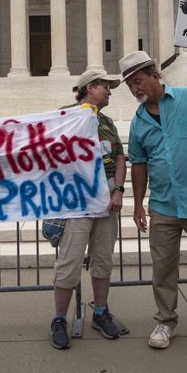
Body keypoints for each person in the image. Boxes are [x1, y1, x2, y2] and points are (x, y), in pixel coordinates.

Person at [119, 51, 187, 354]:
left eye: (138, 81)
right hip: (163, 206)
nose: (135, 89)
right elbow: (139, 164)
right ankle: (166, 320)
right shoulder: (138, 121)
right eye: (130, 85)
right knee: (162, 269)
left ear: (155, 74)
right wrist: (139, 204)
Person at [50, 70, 127, 350]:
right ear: (89, 88)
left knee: (103, 258)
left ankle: (100, 312)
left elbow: (119, 156)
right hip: (76, 198)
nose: (110, 91)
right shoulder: (65, 116)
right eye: (105, 87)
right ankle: (59, 319)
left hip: (106, 195)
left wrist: (118, 189)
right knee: (69, 261)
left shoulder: (106, 122)